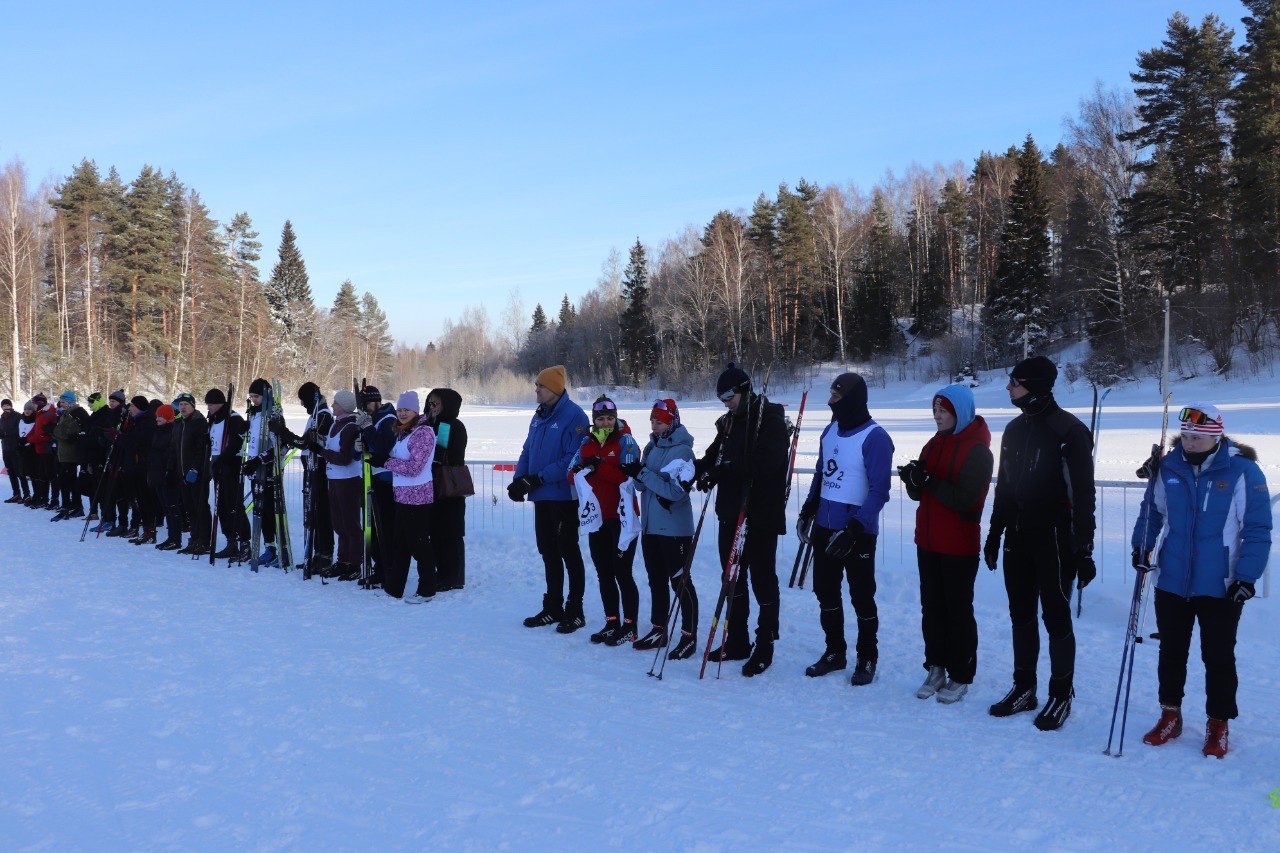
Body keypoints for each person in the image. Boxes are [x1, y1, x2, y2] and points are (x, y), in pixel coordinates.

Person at [1131, 404, 1272, 758]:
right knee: (1171, 651)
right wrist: (1142, 547)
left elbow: (1257, 528)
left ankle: (1218, 723)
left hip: (1220, 583)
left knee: (1218, 655)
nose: (1190, 443)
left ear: (1216, 437)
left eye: (1199, 437)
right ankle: (1170, 714)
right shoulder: (1169, 467)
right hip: (1173, 579)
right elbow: (1153, 511)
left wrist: (1247, 576)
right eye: (1187, 436)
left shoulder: (1242, 471)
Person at [983, 356, 1095, 731]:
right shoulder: (1014, 430)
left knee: (1056, 616)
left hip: (1054, 538)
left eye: (1014, 381)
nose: (1009, 388)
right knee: (1021, 613)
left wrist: (1084, 548)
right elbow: (1005, 485)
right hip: (1018, 534)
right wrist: (994, 532)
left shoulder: (1069, 431)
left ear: (1035, 384)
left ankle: (1061, 695)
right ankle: (1024, 688)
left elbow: (1083, 494)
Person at [797, 373, 894, 685]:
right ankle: (834, 652)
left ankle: (867, 656)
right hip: (825, 528)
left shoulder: (876, 438)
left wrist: (855, 527)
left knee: (861, 596)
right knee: (825, 591)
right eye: (830, 396)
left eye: (836, 398)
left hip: (857, 532)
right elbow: (821, 474)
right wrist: (809, 507)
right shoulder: (830, 431)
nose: (830, 402)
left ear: (852, 399)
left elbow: (880, 491)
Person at [899, 383, 992, 703]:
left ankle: (961, 673)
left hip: (959, 545)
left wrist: (928, 481)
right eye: (934, 411)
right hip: (928, 540)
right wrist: (913, 479)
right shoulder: (933, 444)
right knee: (932, 609)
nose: (937, 417)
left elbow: (966, 500)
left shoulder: (978, 450)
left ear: (960, 412)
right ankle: (936, 666)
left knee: (957, 611)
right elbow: (920, 492)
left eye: (943, 411)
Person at [694, 363, 789, 676]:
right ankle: (737, 639)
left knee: (763, 578)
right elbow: (714, 455)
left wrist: (726, 469)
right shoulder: (729, 423)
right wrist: (701, 470)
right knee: (732, 577)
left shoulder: (770, 418)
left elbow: (767, 463)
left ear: (745, 389)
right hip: (730, 511)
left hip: (761, 513)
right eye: (722, 398)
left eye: (729, 396)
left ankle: (765, 643)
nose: (726, 402)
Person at [509, 365, 590, 633]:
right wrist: (519, 480)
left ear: (554, 389)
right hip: (541, 495)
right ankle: (552, 606)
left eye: (540, 386)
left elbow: (571, 459)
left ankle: (575, 610)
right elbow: (527, 449)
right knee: (548, 552)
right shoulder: (539, 416)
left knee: (568, 551)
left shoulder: (574, 416)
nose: (536, 390)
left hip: (563, 497)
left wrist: (537, 478)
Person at [571, 395, 642, 646]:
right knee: (604, 573)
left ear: (616, 419)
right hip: (597, 518)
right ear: (594, 420)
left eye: (610, 418)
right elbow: (571, 474)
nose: (605, 423)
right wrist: (584, 469)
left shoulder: (626, 441)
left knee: (622, 572)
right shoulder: (586, 443)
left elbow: (628, 477)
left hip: (623, 520)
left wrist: (598, 468)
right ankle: (612, 622)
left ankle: (630, 626)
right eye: (600, 419)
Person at [632, 398, 700, 660]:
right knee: (655, 579)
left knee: (680, 582)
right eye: (652, 421)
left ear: (672, 422)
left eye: (659, 421)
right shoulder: (652, 446)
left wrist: (645, 475)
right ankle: (659, 628)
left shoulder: (683, 451)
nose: (654, 425)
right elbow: (641, 486)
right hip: (651, 525)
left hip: (674, 528)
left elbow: (675, 492)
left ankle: (689, 635)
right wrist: (635, 472)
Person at [271, 382, 335, 574]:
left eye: (303, 400)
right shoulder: (315, 414)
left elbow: (305, 442)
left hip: (320, 469)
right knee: (313, 512)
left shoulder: (323, 415)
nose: (301, 404)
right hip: (311, 468)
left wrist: (283, 431)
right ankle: (316, 554)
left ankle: (325, 555)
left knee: (321, 512)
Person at [381, 390, 438, 601]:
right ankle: (394, 587)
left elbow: (415, 467)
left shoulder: (423, 433)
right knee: (401, 544)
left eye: (407, 410)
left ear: (416, 411)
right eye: (400, 409)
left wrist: (384, 462)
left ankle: (427, 589)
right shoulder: (404, 431)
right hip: (403, 496)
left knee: (419, 544)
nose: (402, 413)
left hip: (418, 497)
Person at [312, 389, 365, 579]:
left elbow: (344, 458)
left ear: (343, 407)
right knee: (339, 524)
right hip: (334, 480)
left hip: (348, 481)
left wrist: (321, 451)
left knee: (350, 524)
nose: (332, 406)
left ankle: (354, 563)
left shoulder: (350, 426)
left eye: (336, 403)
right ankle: (343, 560)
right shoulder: (337, 425)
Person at [426, 388, 468, 590]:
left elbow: (441, 454)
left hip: (449, 487)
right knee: (436, 531)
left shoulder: (451, 425)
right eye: (430, 403)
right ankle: (441, 572)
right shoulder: (431, 424)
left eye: (436, 404)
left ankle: (452, 576)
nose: (432, 408)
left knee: (450, 533)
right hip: (434, 486)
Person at [359, 385, 397, 585]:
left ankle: (387, 569)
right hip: (372, 476)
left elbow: (383, 446)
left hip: (386, 479)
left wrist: (368, 430)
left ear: (376, 401)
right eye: (363, 405)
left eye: (367, 404)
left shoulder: (388, 419)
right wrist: (361, 445)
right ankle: (379, 567)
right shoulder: (372, 419)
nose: (366, 409)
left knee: (384, 527)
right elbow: (371, 446)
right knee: (371, 527)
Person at [206, 388, 250, 560]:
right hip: (217, 464)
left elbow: (235, 444)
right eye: (208, 404)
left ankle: (244, 543)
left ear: (220, 404)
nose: (209, 407)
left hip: (230, 464)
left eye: (211, 404)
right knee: (221, 506)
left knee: (234, 505)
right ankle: (231, 540)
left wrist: (223, 461)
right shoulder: (213, 419)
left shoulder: (233, 418)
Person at [242, 379, 280, 566]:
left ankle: (272, 548)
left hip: (268, 471)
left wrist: (260, 460)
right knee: (258, 510)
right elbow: (253, 442)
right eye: (251, 397)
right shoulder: (254, 415)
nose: (253, 400)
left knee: (267, 511)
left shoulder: (273, 414)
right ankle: (267, 546)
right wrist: (250, 462)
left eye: (256, 396)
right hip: (255, 470)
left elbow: (279, 447)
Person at [173, 392, 212, 556]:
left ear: (193, 406)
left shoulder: (199, 423)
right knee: (189, 508)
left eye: (186, 404)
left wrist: (195, 468)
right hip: (182, 473)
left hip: (198, 474)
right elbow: (175, 449)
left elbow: (202, 449)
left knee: (200, 507)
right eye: (180, 404)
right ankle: (194, 539)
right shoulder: (180, 424)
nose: (182, 407)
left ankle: (204, 541)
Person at [149, 404, 184, 551]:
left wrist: (168, 471)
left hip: (168, 475)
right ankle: (171, 537)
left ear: (168, 417)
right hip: (158, 474)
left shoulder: (172, 430)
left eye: (161, 416)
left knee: (172, 508)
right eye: (157, 415)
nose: (158, 418)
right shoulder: (158, 430)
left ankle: (175, 538)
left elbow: (171, 455)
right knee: (166, 507)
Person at [51, 390, 89, 520]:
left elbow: (65, 433)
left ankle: (68, 506)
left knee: (67, 480)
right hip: (63, 452)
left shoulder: (77, 413)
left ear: (70, 402)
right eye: (61, 401)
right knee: (67, 480)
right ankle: (73, 506)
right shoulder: (65, 413)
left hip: (71, 453)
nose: (61, 404)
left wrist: (55, 431)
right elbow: (59, 431)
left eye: (63, 401)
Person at [1, 398, 30, 503]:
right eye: (4, 406)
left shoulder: (17, 416)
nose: (6, 407)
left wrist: (6, 434)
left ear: (11, 406)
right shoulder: (2, 417)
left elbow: (20, 430)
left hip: (16, 448)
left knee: (20, 472)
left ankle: (26, 495)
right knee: (11, 473)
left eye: (7, 405)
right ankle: (16, 494)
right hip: (6, 449)